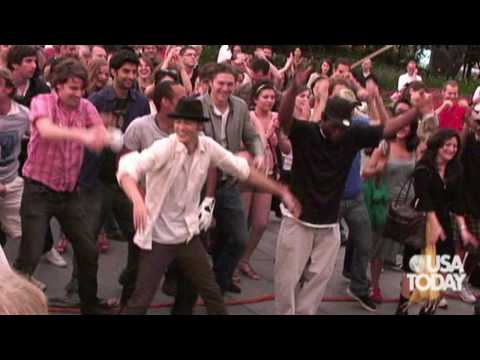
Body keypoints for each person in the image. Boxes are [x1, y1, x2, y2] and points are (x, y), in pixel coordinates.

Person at [117, 97, 301, 314]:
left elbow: (243, 170)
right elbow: (127, 170)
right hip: (157, 236)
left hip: (186, 234)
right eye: (178, 122)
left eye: (187, 123)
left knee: (211, 290)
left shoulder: (208, 146)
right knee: (141, 299)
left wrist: (280, 190)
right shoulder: (164, 147)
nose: (181, 128)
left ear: (199, 125)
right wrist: (138, 200)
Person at [274, 66, 433, 315]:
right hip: (298, 221)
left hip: (328, 225)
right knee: (287, 278)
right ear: (324, 118)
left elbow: (388, 129)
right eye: (335, 126)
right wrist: (293, 89)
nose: (339, 132)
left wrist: (416, 111)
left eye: (344, 127)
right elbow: (284, 121)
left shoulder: (352, 134)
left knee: (318, 280)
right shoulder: (306, 133)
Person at [13, 58, 112, 314]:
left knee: (88, 250)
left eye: (81, 89)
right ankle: (14, 306)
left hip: (69, 193)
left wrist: (102, 134)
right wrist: (83, 135)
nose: (78, 94)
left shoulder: (86, 106)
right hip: (38, 191)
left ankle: (89, 305)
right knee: (30, 255)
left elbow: (99, 133)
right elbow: (46, 130)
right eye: (72, 88)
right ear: (58, 86)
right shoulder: (42, 102)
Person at [88, 49, 150, 306]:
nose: (130, 76)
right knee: (87, 240)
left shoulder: (141, 101)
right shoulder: (97, 99)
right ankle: (83, 293)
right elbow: (85, 139)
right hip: (99, 180)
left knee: (140, 235)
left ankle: (129, 292)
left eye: (134, 72)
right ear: (113, 71)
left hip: (128, 181)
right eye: (125, 71)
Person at [396, 129, 478, 315]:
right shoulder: (423, 167)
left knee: (444, 268)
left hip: (443, 223)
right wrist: (434, 225)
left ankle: (429, 310)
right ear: (438, 145)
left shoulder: (455, 169)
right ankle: (402, 310)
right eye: (447, 145)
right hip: (421, 221)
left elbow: (457, 202)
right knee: (413, 268)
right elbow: (424, 199)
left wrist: (463, 229)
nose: (451, 149)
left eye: (455, 146)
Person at [199, 63, 265, 294]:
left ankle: (220, 278)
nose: (225, 89)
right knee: (193, 239)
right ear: (210, 83)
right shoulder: (197, 106)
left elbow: (252, 135)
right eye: (221, 83)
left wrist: (258, 153)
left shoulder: (240, 106)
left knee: (238, 237)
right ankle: (179, 281)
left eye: (230, 84)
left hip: (228, 183)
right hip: (198, 185)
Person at [362, 100, 419, 304]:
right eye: (400, 124)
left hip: (407, 207)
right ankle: (374, 285)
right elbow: (365, 172)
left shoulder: (415, 149)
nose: (403, 128)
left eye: (408, 125)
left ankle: (406, 289)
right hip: (384, 205)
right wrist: (378, 168)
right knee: (379, 248)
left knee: (403, 250)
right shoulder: (385, 145)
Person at [238, 81, 291, 280]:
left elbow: (286, 149)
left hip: (268, 171)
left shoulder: (277, 117)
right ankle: (232, 260)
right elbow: (250, 142)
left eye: (272, 97)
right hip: (249, 169)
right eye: (265, 97)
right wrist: (266, 131)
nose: (269, 101)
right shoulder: (249, 116)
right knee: (241, 219)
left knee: (261, 222)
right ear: (255, 99)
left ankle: (245, 259)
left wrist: (280, 135)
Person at [0, 68, 30, 260]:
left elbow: (40, 137)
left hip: (12, 182)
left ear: (8, 89)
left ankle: (21, 277)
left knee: (27, 233)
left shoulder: (23, 115)